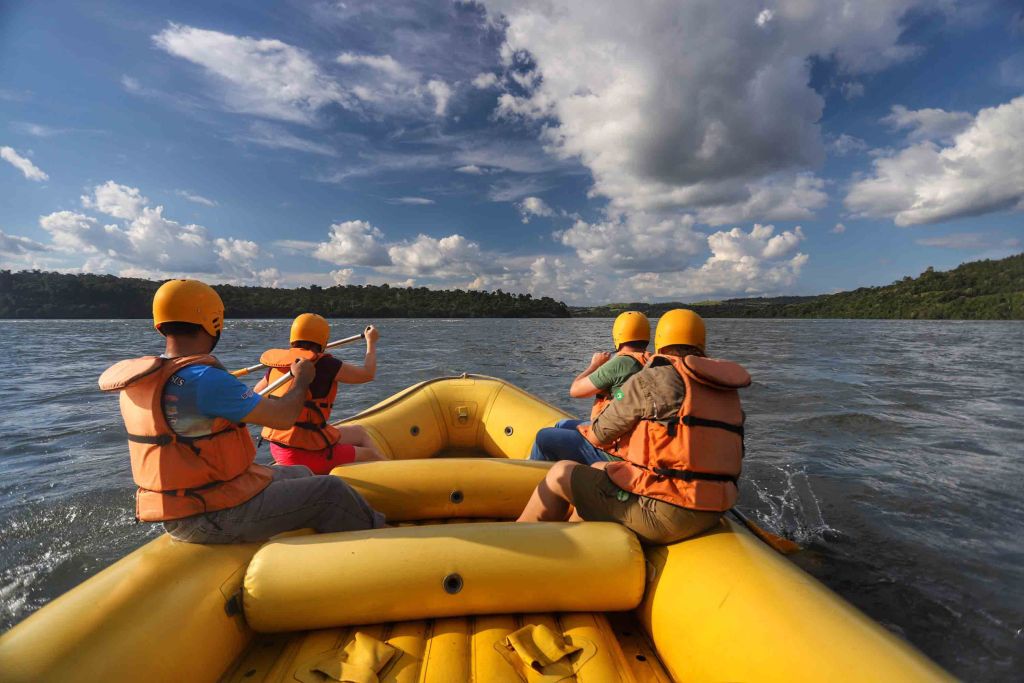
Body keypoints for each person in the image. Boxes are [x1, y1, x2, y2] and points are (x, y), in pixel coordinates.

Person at [98, 279, 385, 544]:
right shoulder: (204, 379)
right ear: (214, 321)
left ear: (160, 324)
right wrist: (302, 380)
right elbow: (283, 416)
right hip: (210, 513)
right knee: (331, 491)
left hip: (187, 504)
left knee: (300, 472)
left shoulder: (147, 378)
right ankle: (382, 541)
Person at [518, 309, 751, 545]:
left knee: (561, 472)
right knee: (600, 467)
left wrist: (616, 395)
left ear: (660, 341)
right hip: (713, 511)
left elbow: (599, 434)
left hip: (667, 513)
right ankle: (571, 545)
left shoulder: (652, 378)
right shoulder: (726, 392)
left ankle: (516, 546)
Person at [254, 314, 385, 474]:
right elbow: (367, 374)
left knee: (359, 432)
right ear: (324, 340)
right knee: (371, 455)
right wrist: (371, 342)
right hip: (306, 453)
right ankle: (399, 481)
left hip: (278, 447)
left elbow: (256, 393)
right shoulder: (326, 365)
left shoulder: (279, 364)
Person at [528, 311, 650, 464]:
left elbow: (575, 390)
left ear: (617, 335)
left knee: (543, 437)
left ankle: (535, 479)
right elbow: (620, 395)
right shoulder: (650, 362)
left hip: (615, 447)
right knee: (561, 424)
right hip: (629, 437)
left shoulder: (620, 364)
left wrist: (595, 365)